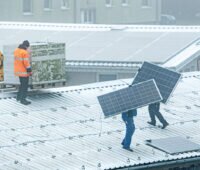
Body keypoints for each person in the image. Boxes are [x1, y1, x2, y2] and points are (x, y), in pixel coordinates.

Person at [14, 40, 32, 105]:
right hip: (24, 72)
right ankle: (23, 100)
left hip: (18, 72)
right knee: (25, 86)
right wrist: (29, 71)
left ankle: (18, 97)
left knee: (21, 85)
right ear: (26, 46)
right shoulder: (24, 52)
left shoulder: (16, 50)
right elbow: (26, 63)